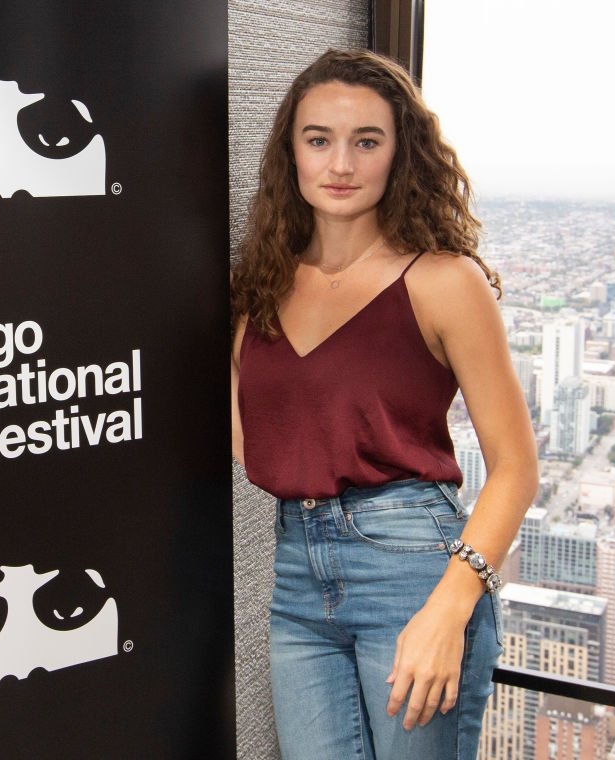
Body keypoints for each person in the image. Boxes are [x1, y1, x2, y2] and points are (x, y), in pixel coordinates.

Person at [230, 49, 538, 760]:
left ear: (400, 154)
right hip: (297, 578)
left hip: (413, 569)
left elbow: (516, 468)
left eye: (366, 141)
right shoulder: (261, 285)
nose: (340, 163)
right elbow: (252, 440)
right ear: (291, 153)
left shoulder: (443, 281)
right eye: (318, 140)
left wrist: (450, 608)